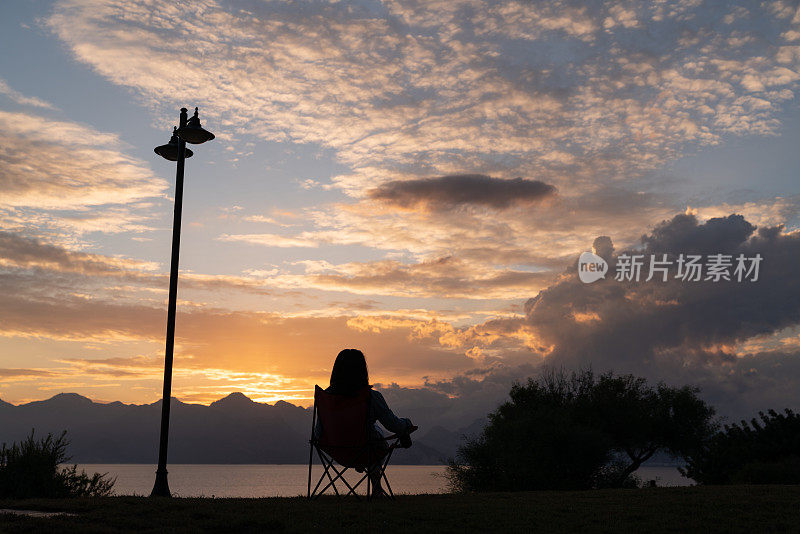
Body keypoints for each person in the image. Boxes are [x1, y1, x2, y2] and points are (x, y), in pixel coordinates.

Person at [315, 348, 415, 496]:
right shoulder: (370, 397)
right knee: (377, 436)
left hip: (336, 452)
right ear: (363, 371)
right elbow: (393, 425)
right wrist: (407, 424)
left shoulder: (326, 398)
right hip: (365, 450)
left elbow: (318, 432)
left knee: (371, 433)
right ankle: (376, 488)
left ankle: (366, 466)